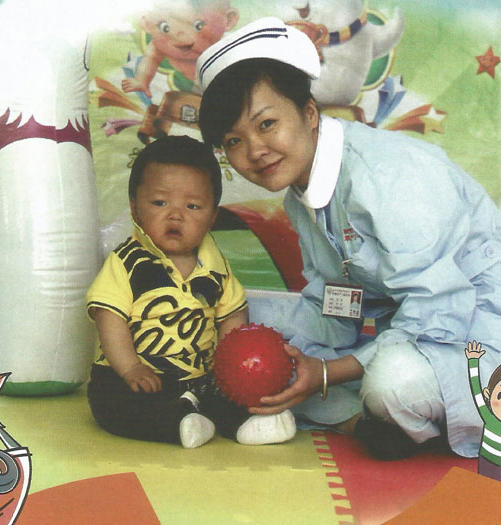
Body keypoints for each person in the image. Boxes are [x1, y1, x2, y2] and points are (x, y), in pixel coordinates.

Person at [196, 17, 501, 460]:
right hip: (404, 327)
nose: (254, 151)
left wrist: (324, 373)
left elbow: (439, 311)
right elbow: (335, 299)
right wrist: (282, 352)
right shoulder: (301, 196)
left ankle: (387, 414)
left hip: (475, 329)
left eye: (266, 124)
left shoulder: (387, 176)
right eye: (233, 141)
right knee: (233, 317)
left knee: (394, 381)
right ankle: (362, 423)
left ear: (309, 113)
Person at [86, 135, 296, 449]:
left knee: (226, 395)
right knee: (112, 403)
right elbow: (109, 318)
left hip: (199, 378)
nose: (176, 215)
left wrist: (230, 368)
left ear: (212, 217)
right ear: (134, 207)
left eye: (193, 206)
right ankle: (177, 422)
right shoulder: (126, 262)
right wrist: (131, 367)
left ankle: (247, 422)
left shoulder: (216, 265)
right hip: (133, 377)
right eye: (159, 203)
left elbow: (233, 312)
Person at [121, 0, 239, 98]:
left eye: (198, 26)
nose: (181, 37)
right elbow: (150, 59)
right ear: (146, 24)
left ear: (228, 20)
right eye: (165, 27)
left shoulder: (228, 46)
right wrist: (141, 81)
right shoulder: (158, 45)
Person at [465, 340, 501, 481]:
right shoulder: (488, 417)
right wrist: (473, 362)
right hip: (488, 461)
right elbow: (476, 392)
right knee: (486, 487)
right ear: (488, 394)